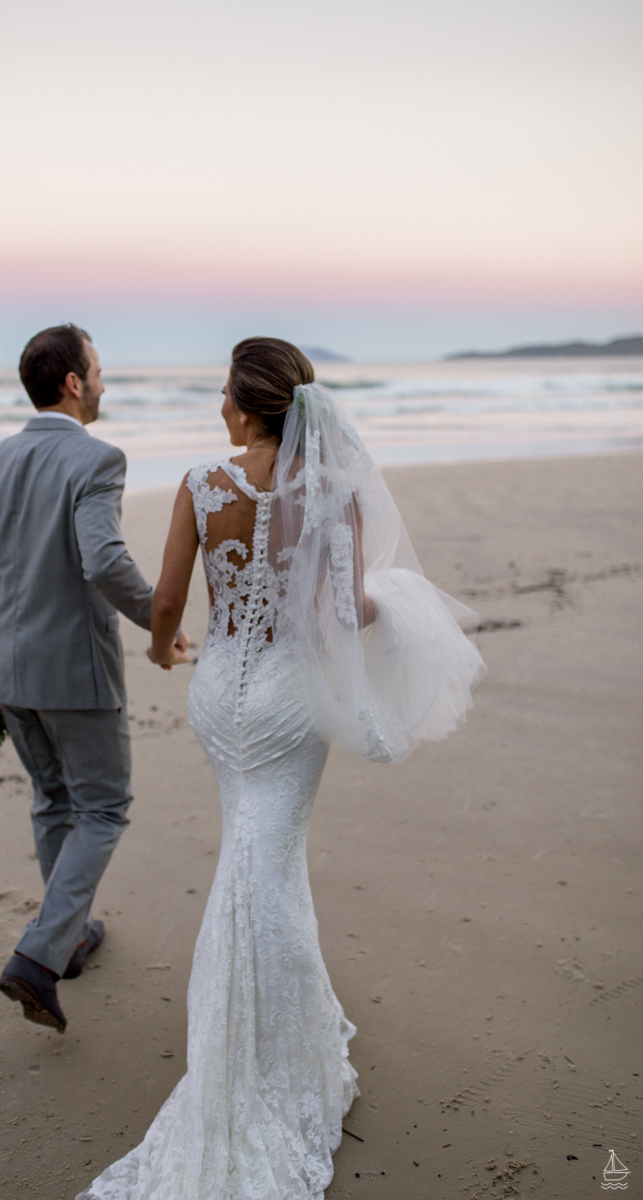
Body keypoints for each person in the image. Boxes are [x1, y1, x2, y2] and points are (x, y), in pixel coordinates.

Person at [77, 338, 485, 1200]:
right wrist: (398, 603)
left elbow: (164, 602)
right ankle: (253, 1056)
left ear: (243, 402)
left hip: (220, 693)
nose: (218, 400)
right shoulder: (333, 493)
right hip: (287, 703)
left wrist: (161, 652)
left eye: (224, 387)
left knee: (254, 853)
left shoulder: (200, 484)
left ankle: (282, 1025)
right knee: (263, 861)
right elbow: (347, 609)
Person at [0, 324, 190, 1035]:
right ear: (74, 383)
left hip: (11, 674)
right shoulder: (98, 459)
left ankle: (69, 938)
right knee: (103, 809)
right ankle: (40, 956)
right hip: (76, 672)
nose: (104, 384)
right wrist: (158, 625)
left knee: (53, 802)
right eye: (99, 372)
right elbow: (104, 562)